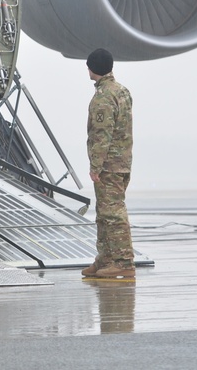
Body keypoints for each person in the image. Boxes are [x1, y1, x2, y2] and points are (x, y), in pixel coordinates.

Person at [81, 48, 135, 279]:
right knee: (103, 213)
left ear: (92, 68)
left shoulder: (104, 97)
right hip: (121, 162)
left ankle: (123, 262)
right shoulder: (122, 91)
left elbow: (103, 134)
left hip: (109, 165)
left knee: (112, 213)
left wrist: (96, 166)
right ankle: (105, 260)